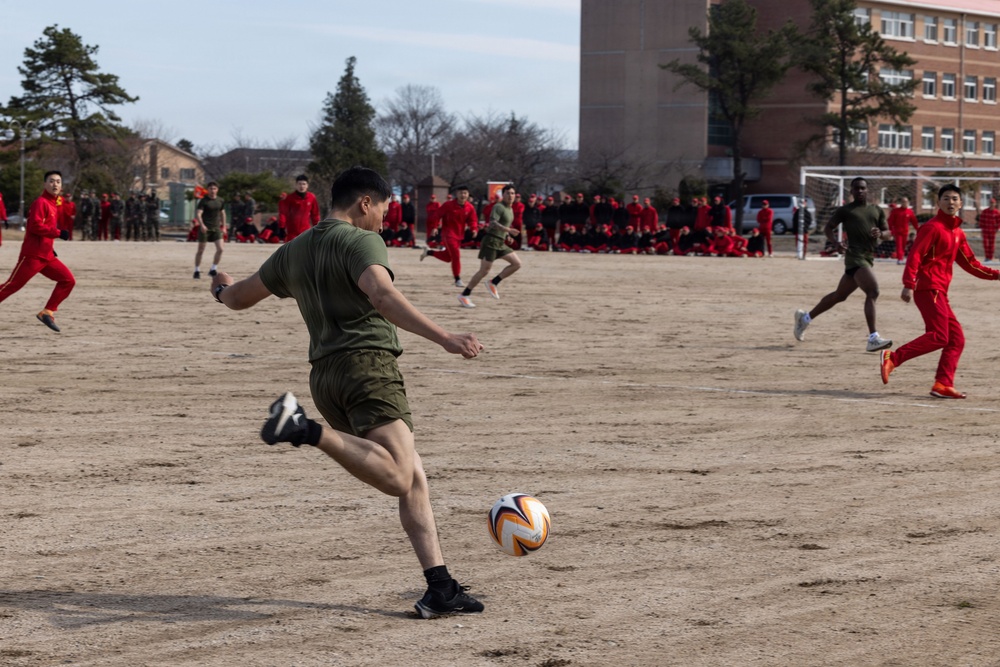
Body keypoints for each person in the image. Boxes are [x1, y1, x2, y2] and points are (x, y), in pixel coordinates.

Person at [209, 166, 485, 619]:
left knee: (412, 475)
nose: (383, 219)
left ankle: (441, 587)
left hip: (326, 377)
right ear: (364, 204)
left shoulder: (294, 249)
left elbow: (239, 298)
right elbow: (381, 295)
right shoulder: (361, 241)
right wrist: (445, 337)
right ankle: (305, 430)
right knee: (399, 476)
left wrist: (218, 288)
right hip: (368, 369)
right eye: (383, 209)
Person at [880, 184, 1000, 399]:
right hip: (927, 289)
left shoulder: (958, 233)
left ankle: (942, 384)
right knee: (939, 336)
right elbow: (915, 255)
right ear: (938, 203)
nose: (950, 202)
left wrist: (997, 274)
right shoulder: (932, 228)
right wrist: (909, 283)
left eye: (955, 198)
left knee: (956, 339)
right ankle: (893, 357)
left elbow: (971, 264)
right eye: (946, 198)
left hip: (940, 292)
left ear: (961, 204)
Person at [794, 177, 893, 352]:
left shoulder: (876, 210)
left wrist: (881, 233)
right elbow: (828, 228)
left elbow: (888, 234)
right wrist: (836, 243)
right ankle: (873, 338)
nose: (860, 191)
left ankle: (805, 319)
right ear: (851, 191)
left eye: (863, 188)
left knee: (839, 296)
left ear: (867, 190)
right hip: (854, 256)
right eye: (856, 188)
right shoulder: (845, 211)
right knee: (873, 291)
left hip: (868, 257)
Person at [0, 171, 75, 331]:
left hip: (47, 256)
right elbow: (34, 226)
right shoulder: (41, 202)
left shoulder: (53, 204)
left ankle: (47, 312)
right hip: (33, 255)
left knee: (68, 281)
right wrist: (58, 232)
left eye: (58, 182)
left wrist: (51, 247)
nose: (55, 184)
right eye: (51, 181)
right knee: (11, 286)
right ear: (44, 184)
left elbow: (44, 229)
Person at [458, 184, 522, 308]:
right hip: (491, 242)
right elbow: (492, 223)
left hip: (500, 242)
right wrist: (508, 229)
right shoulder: (499, 206)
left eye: (513, 193)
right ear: (502, 195)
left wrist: (506, 235)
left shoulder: (510, 209)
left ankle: (494, 282)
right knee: (484, 271)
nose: (510, 196)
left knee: (517, 264)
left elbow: (501, 227)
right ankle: (464, 295)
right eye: (508, 193)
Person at [421, 185, 477, 287]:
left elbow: (472, 220)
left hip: (459, 235)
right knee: (456, 255)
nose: (463, 195)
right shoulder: (448, 205)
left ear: (468, 195)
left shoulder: (470, 207)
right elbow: (437, 215)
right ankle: (457, 279)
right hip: (448, 234)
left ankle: (429, 252)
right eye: (461, 193)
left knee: (448, 258)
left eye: (465, 193)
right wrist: (434, 227)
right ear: (457, 194)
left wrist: (474, 229)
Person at [193, 181, 226, 279]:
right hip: (205, 228)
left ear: (217, 190)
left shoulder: (220, 200)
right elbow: (198, 214)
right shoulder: (203, 201)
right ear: (207, 190)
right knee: (201, 250)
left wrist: (224, 226)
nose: (212, 190)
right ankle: (197, 270)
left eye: (214, 188)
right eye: (211, 189)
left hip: (216, 228)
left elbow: (223, 213)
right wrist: (202, 225)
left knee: (220, 249)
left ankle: (213, 269)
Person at [281, 175, 321, 242]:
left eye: (304, 184)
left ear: (307, 185)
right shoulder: (290, 198)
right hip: (292, 231)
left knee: (305, 250)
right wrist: (282, 227)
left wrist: (317, 226)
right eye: (299, 184)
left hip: (305, 230)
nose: (301, 186)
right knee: (291, 251)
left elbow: (315, 214)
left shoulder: (312, 197)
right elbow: (283, 213)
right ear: (296, 185)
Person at [977, 198, 1000, 263]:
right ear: (989, 204)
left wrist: (997, 228)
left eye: (993, 203)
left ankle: (990, 258)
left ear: (995, 204)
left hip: (992, 231)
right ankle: (987, 257)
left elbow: (998, 221)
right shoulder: (985, 211)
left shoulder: (997, 212)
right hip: (985, 230)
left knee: (991, 245)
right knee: (986, 244)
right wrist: (982, 229)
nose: (992, 204)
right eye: (990, 203)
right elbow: (981, 221)